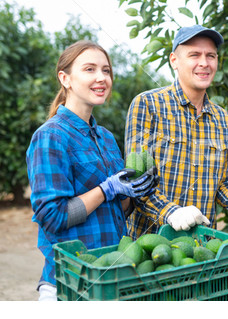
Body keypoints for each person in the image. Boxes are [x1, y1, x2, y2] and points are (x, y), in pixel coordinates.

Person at [26, 40, 157, 301]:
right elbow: (52, 217)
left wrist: (135, 191)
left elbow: (113, 213)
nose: (101, 78)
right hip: (71, 280)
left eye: (106, 70)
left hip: (111, 275)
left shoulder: (106, 137)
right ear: (65, 79)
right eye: (89, 69)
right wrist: (106, 189)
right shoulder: (50, 136)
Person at [125, 25, 228, 239]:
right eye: (194, 55)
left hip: (202, 249)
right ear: (174, 60)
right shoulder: (148, 104)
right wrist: (172, 213)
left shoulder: (223, 120)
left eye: (211, 56)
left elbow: (226, 185)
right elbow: (137, 180)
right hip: (150, 247)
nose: (204, 63)